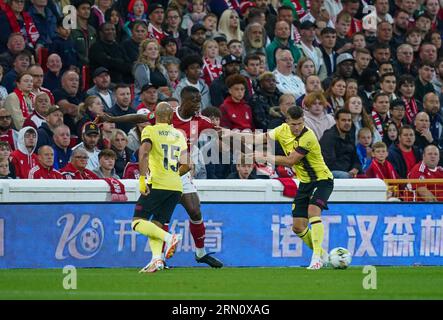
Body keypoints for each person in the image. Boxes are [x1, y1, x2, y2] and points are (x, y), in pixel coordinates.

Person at [95, 87, 224, 268]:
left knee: (195, 211)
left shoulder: (201, 121)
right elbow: (139, 118)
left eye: (199, 100)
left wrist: (250, 142)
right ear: (183, 101)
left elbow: (223, 133)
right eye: (194, 100)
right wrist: (112, 119)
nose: (198, 104)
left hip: (180, 172)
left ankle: (200, 253)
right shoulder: (166, 115)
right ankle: (159, 258)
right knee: (160, 218)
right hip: (161, 173)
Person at [252, 105, 333, 269]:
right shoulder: (282, 130)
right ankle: (323, 255)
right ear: (287, 121)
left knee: (313, 212)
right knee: (298, 227)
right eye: (293, 124)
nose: (297, 127)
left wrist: (265, 156)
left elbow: (291, 161)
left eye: (300, 123)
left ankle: (316, 258)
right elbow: (259, 138)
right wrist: (228, 134)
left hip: (322, 179)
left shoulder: (308, 137)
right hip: (305, 183)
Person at [133, 102, 188, 272]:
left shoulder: (150, 130)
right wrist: (172, 176)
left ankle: (170, 237)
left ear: (155, 115)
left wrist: (142, 179)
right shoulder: (179, 135)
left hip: (157, 183)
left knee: (137, 222)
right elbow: (187, 165)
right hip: (176, 186)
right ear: (171, 117)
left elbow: (144, 153)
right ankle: (157, 260)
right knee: (157, 224)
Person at [320, 109, 361, 179]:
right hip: (330, 172)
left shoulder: (350, 135)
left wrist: (355, 168)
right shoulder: (329, 137)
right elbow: (328, 163)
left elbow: (355, 158)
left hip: (348, 171)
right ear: (336, 121)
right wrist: (349, 172)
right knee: (345, 176)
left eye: (349, 120)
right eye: (343, 120)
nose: (347, 123)